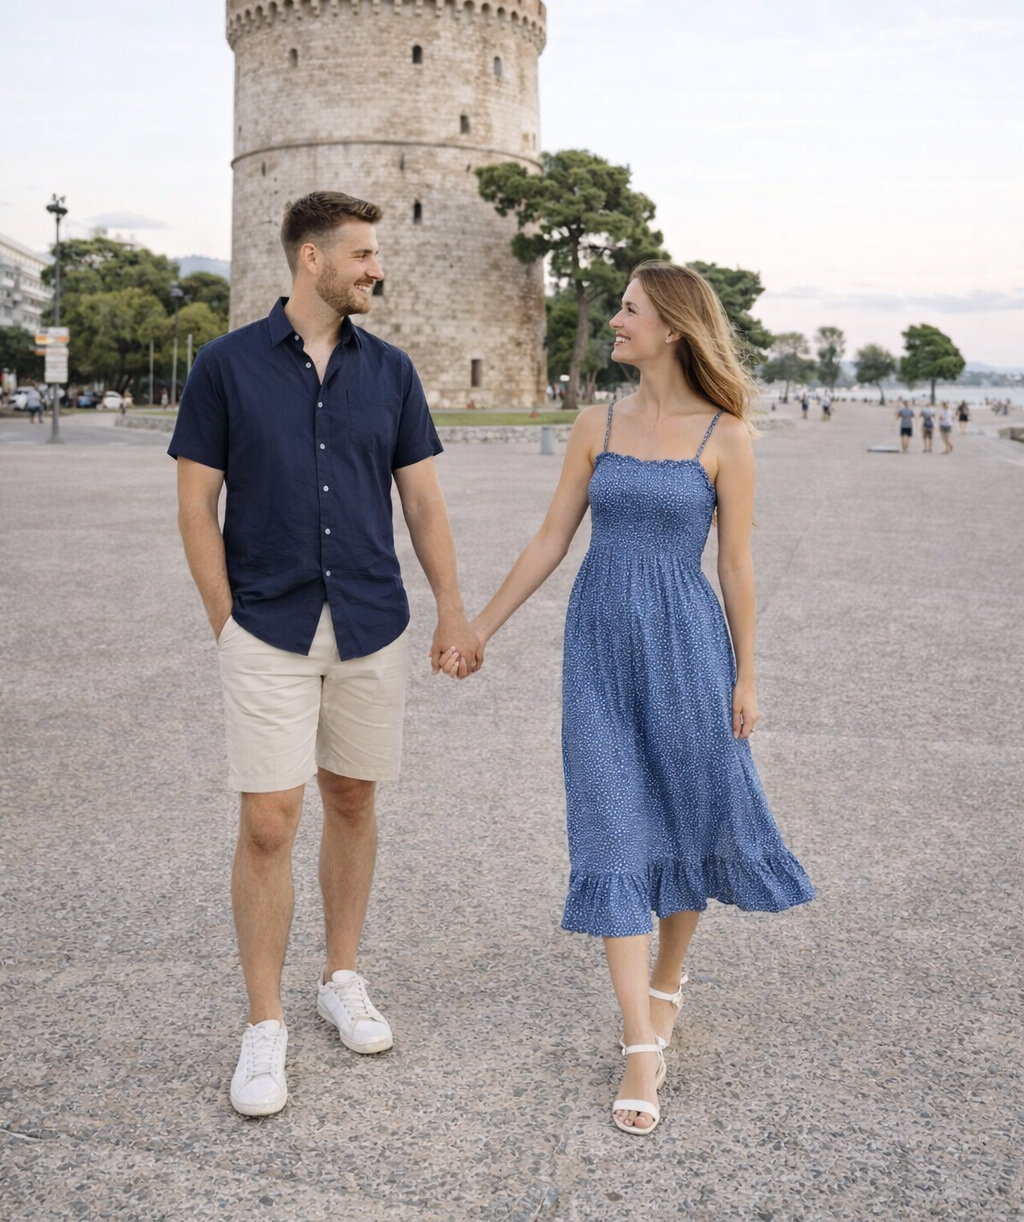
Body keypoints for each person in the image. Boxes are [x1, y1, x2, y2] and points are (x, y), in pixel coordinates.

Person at [442, 262, 814, 1136]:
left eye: (629, 310)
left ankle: (667, 982)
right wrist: (481, 626)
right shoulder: (593, 423)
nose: (615, 320)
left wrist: (748, 675)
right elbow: (550, 538)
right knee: (610, 821)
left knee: (688, 814)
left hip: (688, 648)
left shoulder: (726, 436)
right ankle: (640, 1043)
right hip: (600, 651)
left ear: (673, 328)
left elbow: (735, 565)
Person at [169, 191, 481, 1119]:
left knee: (351, 797)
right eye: (362, 255)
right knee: (269, 819)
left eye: (374, 255)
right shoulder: (225, 368)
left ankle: (340, 974)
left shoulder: (390, 372)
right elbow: (196, 505)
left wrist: (453, 613)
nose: (376, 267)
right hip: (265, 625)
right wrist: (223, 619)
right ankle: (263, 1023)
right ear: (312, 259)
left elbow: (422, 504)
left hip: (370, 623)